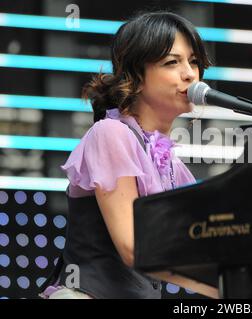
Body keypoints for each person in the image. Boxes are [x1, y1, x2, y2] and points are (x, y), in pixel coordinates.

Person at [40, 10, 211, 299]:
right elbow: (134, 247)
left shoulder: (172, 164)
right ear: (136, 77)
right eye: (172, 62)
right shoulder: (111, 133)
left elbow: (199, 247)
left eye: (194, 62)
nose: (190, 74)